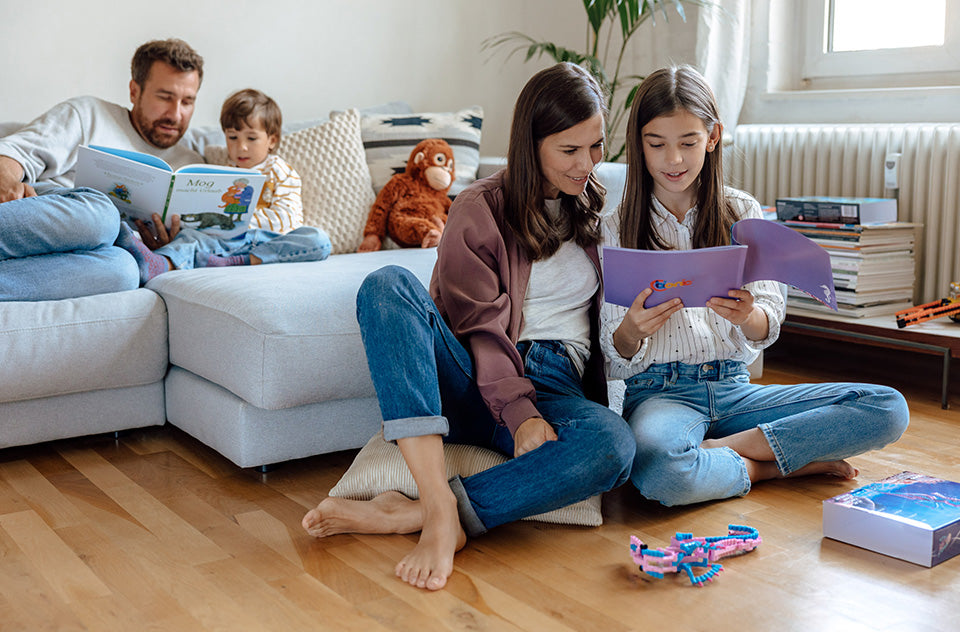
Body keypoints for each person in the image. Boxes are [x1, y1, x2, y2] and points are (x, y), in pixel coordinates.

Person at [301, 62, 635, 591]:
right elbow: (480, 328)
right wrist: (519, 412)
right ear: (531, 144)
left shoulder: (596, 211)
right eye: (569, 151)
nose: (587, 165)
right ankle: (437, 509)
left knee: (613, 445)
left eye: (595, 147)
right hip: (475, 378)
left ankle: (415, 513)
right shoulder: (480, 208)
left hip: (556, 387)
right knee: (386, 284)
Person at [600, 65, 910, 507]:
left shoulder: (740, 210)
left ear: (712, 137)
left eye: (688, 143)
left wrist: (748, 316)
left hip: (733, 387)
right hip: (659, 395)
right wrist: (633, 329)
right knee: (662, 468)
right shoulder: (614, 228)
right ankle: (773, 463)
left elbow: (769, 322)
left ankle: (724, 453)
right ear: (639, 145)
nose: (674, 160)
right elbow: (615, 353)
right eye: (657, 144)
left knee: (887, 407)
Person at [0, 38, 205, 301]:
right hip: (53, 218)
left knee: (125, 271)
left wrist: (166, 246)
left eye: (187, 102)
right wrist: (6, 178)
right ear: (134, 91)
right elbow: (12, 153)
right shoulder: (88, 114)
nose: (176, 114)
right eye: (165, 97)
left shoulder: (191, 162)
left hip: (90, 253)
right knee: (105, 216)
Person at [130, 89, 331, 280]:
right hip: (226, 242)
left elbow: (287, 221)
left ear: (272, 140)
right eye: (232, 137)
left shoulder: (280, 171)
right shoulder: (225, 172)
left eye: (251, 138)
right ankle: (159, 263)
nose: (240, 147)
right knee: (190, 237)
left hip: (267, 240)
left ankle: (238, 262)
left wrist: (241, 221)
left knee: (318, 239)